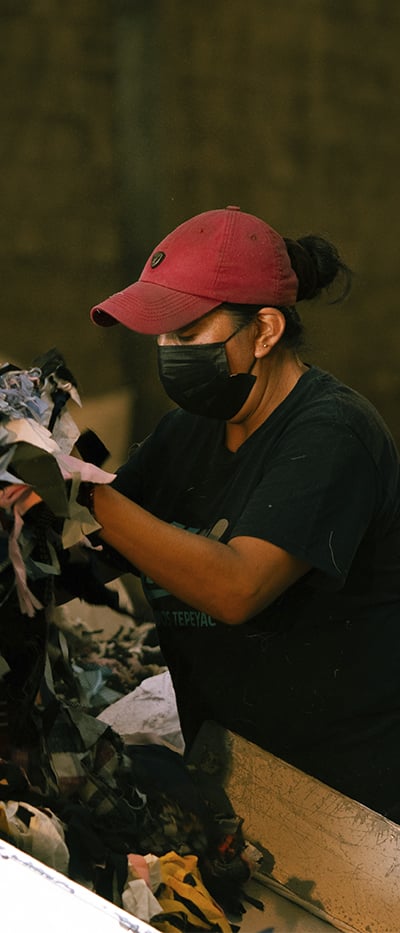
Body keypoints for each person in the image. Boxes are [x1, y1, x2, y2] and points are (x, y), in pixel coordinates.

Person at [85, 205, 400, 821]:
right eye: (161, 337)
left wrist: (81, 490)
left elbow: (237, 587)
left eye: (186, 334)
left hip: (355, 811)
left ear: (264, 332)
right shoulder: (186, 434)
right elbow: (91, 551)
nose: (167, 351)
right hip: (237, 786)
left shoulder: (334, 434)